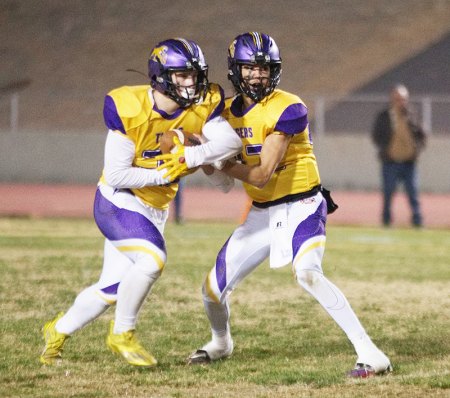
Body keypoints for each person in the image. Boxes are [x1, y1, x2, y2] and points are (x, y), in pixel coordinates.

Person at [176, 32, 392, 378]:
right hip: (262, 213)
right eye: (251, 68)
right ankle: (220, 342)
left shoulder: (289, 107)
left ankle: (370, 353)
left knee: (307, 273)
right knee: (211, 291)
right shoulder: (224, 115)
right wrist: (203, 156)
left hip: (303, 203)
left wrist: (212, 158)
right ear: (236, 70)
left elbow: (260, 174)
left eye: (265, 68)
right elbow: (226, 185)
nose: (259, 75)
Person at [39, 38, 242, 367]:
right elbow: (118, 175)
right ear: (161, 77)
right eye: (182, 76)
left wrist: (196, 156)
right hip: (119, 200)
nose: (192, 83)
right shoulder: (130, 107)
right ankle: (123, 333)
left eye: (195, 74)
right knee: (152, 259)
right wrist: (167, 172)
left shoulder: (202, 106)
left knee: (111, 288)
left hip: (155, 209)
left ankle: (56, 332)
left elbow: (229, 142)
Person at [372, 84, 427, 227]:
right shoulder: (384, 116)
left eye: (403, 99)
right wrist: (385, 149)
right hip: (390, 162)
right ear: (392, 99)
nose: (400, 102)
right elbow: (376, 135)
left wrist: (417, 150)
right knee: (388, 193)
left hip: (409, 162)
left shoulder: (412, 115)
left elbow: (422, 135)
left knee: (413, 193)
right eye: (397, 99)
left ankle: (417, 222)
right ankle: (386, 221)